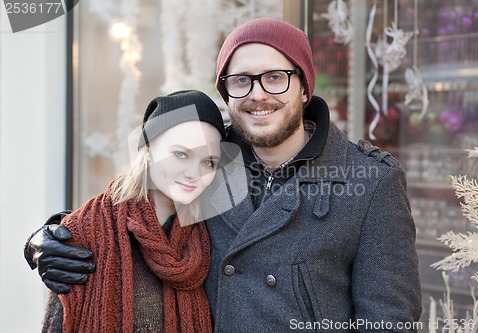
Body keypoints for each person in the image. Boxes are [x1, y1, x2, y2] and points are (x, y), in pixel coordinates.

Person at [26, 18, 422, 332]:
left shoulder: (369, 182)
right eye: (240, 81)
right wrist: (54, 236)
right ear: (227, 93)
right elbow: (135, 211)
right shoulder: (209, 159)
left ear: (304, 88)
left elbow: (388, 322)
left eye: (275, 77)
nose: (258, 94)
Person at [40, 90, 239, 332]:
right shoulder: (85, 232)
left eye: (208, 162)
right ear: (148, 149)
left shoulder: (209, 234)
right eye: (180, 154)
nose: (193, 172)